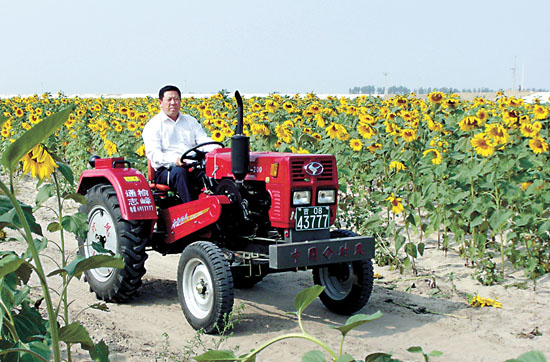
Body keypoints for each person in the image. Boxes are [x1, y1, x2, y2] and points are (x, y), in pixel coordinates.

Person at [142, 85, 216, 203]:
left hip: (192, 165)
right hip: (166, 169)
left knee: (215, 173)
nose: (173, 103)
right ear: (160, 102)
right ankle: (192, 211)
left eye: (176, 99)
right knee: (180, 173)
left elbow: (203, 141)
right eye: (169, 99)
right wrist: (175, 160)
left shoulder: (190, 121)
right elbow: (154, 154)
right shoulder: (153, 125)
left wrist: (217, 150)